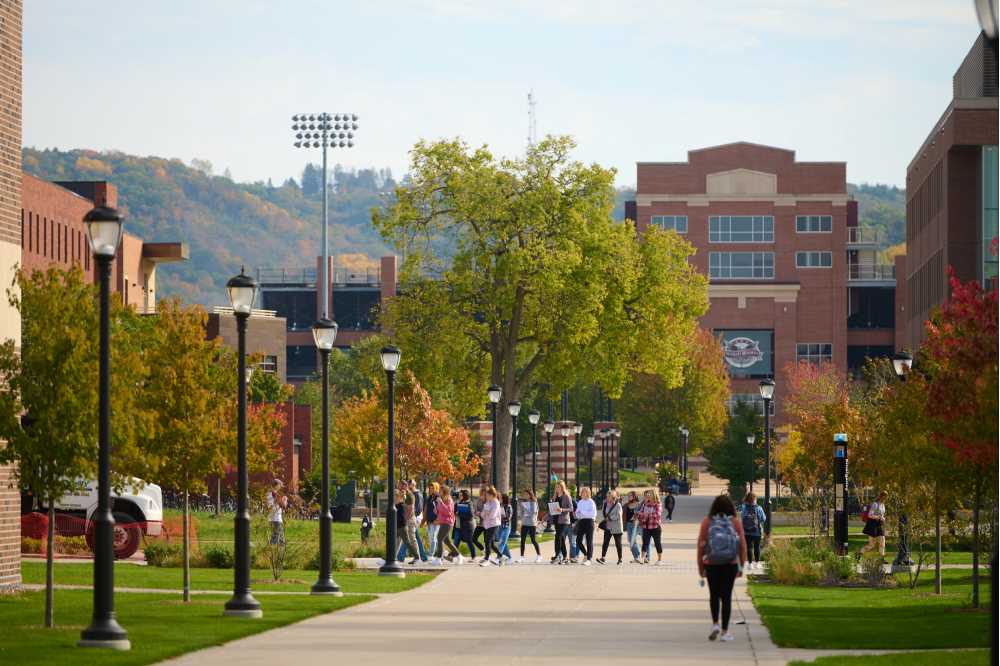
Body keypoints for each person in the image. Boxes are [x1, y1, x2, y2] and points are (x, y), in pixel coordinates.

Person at [697, 494, 747, 642]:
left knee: (714, 595)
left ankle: (715, 624)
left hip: (711, 563)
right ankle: (725, 632)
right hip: (730, 564)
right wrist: (741, 565)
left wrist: (701, 567)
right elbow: (743, 546)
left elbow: (700, 546)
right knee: (726, 597)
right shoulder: (735, 523)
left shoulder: (707, 522)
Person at [432, 485, 462, 564]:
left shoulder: (449, 499)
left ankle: (439, 559)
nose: (439, 492)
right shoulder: (442, 499)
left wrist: (440, 503)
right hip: (443, 522)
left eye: (440, 491)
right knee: (447, 541)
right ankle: (459, 556)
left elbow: (448, 512)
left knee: (439, 539)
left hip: (448, 522)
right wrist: (436, 507)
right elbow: (439, 511)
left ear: (444, 491)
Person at [740, 492, 766, 570]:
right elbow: (763, 519)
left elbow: (742, 518)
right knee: (757, 547)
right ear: (755, 499)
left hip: (746, 532)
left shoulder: (744, 508)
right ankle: (757, 564)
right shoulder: (759, 508)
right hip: (757, 531)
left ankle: (750, 564)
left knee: (749, 548)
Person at [597, 489, 624, 565]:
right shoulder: (605, 504)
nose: (607, 498)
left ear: (613, 497)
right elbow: (604, 512)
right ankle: (603, 557)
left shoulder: (618, 505)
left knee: (618, 543)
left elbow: (618, 515)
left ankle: (620, 559)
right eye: (607, 496)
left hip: (616, 526)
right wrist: (604, 519)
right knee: (605, 542)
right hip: (608, 526)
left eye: (609, 496)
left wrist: (610, 518)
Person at [638, 489, 664, 565]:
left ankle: (659, 560)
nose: (648, 495)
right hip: (646, 526)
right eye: (648, 494)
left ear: (654, 495)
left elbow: (657, 515)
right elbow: (641, 512)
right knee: (645, 543)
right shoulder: (645, 504)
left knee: (657, 543)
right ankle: (642, 558)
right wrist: (643, 515)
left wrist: (647, 514)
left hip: (655, 527)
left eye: (650, 494)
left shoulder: (658, 504)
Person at [479, 486, 503, 566]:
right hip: (487, 525)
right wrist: (485, 514)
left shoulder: (496, 502)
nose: (487, 497)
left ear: (493, 495)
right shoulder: (487, 502)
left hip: (494, 524)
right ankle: (501, 556)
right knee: (491, 543)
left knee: (487, 541)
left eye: (488, 495)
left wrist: (486, 514)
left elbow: (493, 515)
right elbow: (482, 514)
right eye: (486, 495)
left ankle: (487, 559)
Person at [551, 481, 573, 564]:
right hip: (556, 520)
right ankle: (565, 557)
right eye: (556, 487)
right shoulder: (555, 497)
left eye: (559, 487)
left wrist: (562, 509)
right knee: (562, 539)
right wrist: (544, 518)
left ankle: (557, 555)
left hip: (564, 520)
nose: (557, 489)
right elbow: (552, 510)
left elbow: (571, 508)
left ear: (562, 487)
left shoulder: (566, 496)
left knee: (558, 536)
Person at [574, 486, 597, 565]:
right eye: (582, 492)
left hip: (590, 522)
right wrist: (578, 513)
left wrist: (582, 512)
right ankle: (586, 554)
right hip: (581, 521)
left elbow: (592, 514)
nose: (583, 493)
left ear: (588, 493)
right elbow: (577, 512)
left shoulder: (591, 502)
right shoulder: (580, 502)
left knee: (589, 541)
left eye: (585, 492)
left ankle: (589, 559)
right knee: (578, 540)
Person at [518, 488, 542, 563]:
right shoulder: (523, 503)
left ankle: (539, 556)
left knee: (533, 540)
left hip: (532, 523)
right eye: (524, 494)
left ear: (529, 494)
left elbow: (533, 513)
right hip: (524, 523)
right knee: (522, 540)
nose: (524, 495)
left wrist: (525, 510)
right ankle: (522, 557)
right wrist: (522, 518)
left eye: (526, 494)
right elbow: (521, 513)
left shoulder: (534, 502)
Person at [862, 490, 888, 558]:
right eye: (884, 497)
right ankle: (860, 553)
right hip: (873, 525)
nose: (885, 499)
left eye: (886, 497)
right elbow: (869, 515)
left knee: (882, 542)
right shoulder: (875, 504)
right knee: (871, 545)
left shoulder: (883, 505)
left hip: (880, 525)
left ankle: (881, 558)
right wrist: (878, 517)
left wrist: (883, 518)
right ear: (881, 496)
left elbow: (881, 514)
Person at [456, 489, 477, 561]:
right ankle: (453, 555)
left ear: (465, 496)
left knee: (469, 541)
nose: (459, 496)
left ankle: (473, 556)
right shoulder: (460, 502)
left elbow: (471, 515)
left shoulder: (469, 503)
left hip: (468, 526)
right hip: (461, 525)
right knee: (458, 540)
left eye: (461, 495)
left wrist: (460, 514)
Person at [267, 479, 288, 546]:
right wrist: (285, 500)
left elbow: (270, 506)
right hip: (276, 519)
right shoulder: (274, 494)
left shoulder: (268, 494)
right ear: (276, 485)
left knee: (277, 537)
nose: (281, 487)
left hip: (272, 518)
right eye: (280, 485)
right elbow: (283, 506)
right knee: (278, 539)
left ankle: (275, 552)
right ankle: (277, 553)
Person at [423, 482, 440, 561]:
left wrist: (438, 519)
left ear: (436, 488)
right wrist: (424, 521)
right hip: (429, 521)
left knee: (433, 537)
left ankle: (431, 554)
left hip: (436, 521)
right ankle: (440, 553)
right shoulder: (429, 498)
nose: (430, 489)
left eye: (432, 488)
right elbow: (426, 510)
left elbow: (440, 510)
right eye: (430, 488)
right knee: (431, 538)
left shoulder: (438, 498)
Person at [624, 491, 643, 563]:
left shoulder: (638, 505)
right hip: (629, 524)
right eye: (628, 496)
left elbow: (640, 514)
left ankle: (638, 556)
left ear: (634, 496)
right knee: (630, 540)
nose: (629, 497)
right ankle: (636, 557)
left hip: (636, 524)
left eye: (630, 496)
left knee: (633, 540)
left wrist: (637, 519)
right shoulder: (627, 505)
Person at [496, 493, 513, 564]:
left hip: (506, 527)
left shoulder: (508, 506)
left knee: (502, 542)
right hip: (499, 527)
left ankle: (498, 558)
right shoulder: (498, 506)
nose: (499, 499)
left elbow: (508, 517)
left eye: (500, 498)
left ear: (504, 499)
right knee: (504, 543)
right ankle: (509, 557)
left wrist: (502, 516)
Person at [472, 487, 487, 553]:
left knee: (486, 541)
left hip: (487, 524)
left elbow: (487, 512)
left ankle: (487, 557)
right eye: (481, 494)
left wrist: (480, 513)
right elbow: (475, 510)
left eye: (484, 494)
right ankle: (482, 549)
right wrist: (476, 513)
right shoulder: (479, 500)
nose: (482, 496)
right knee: (473, 538)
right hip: (480, 523)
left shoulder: (489, 502)